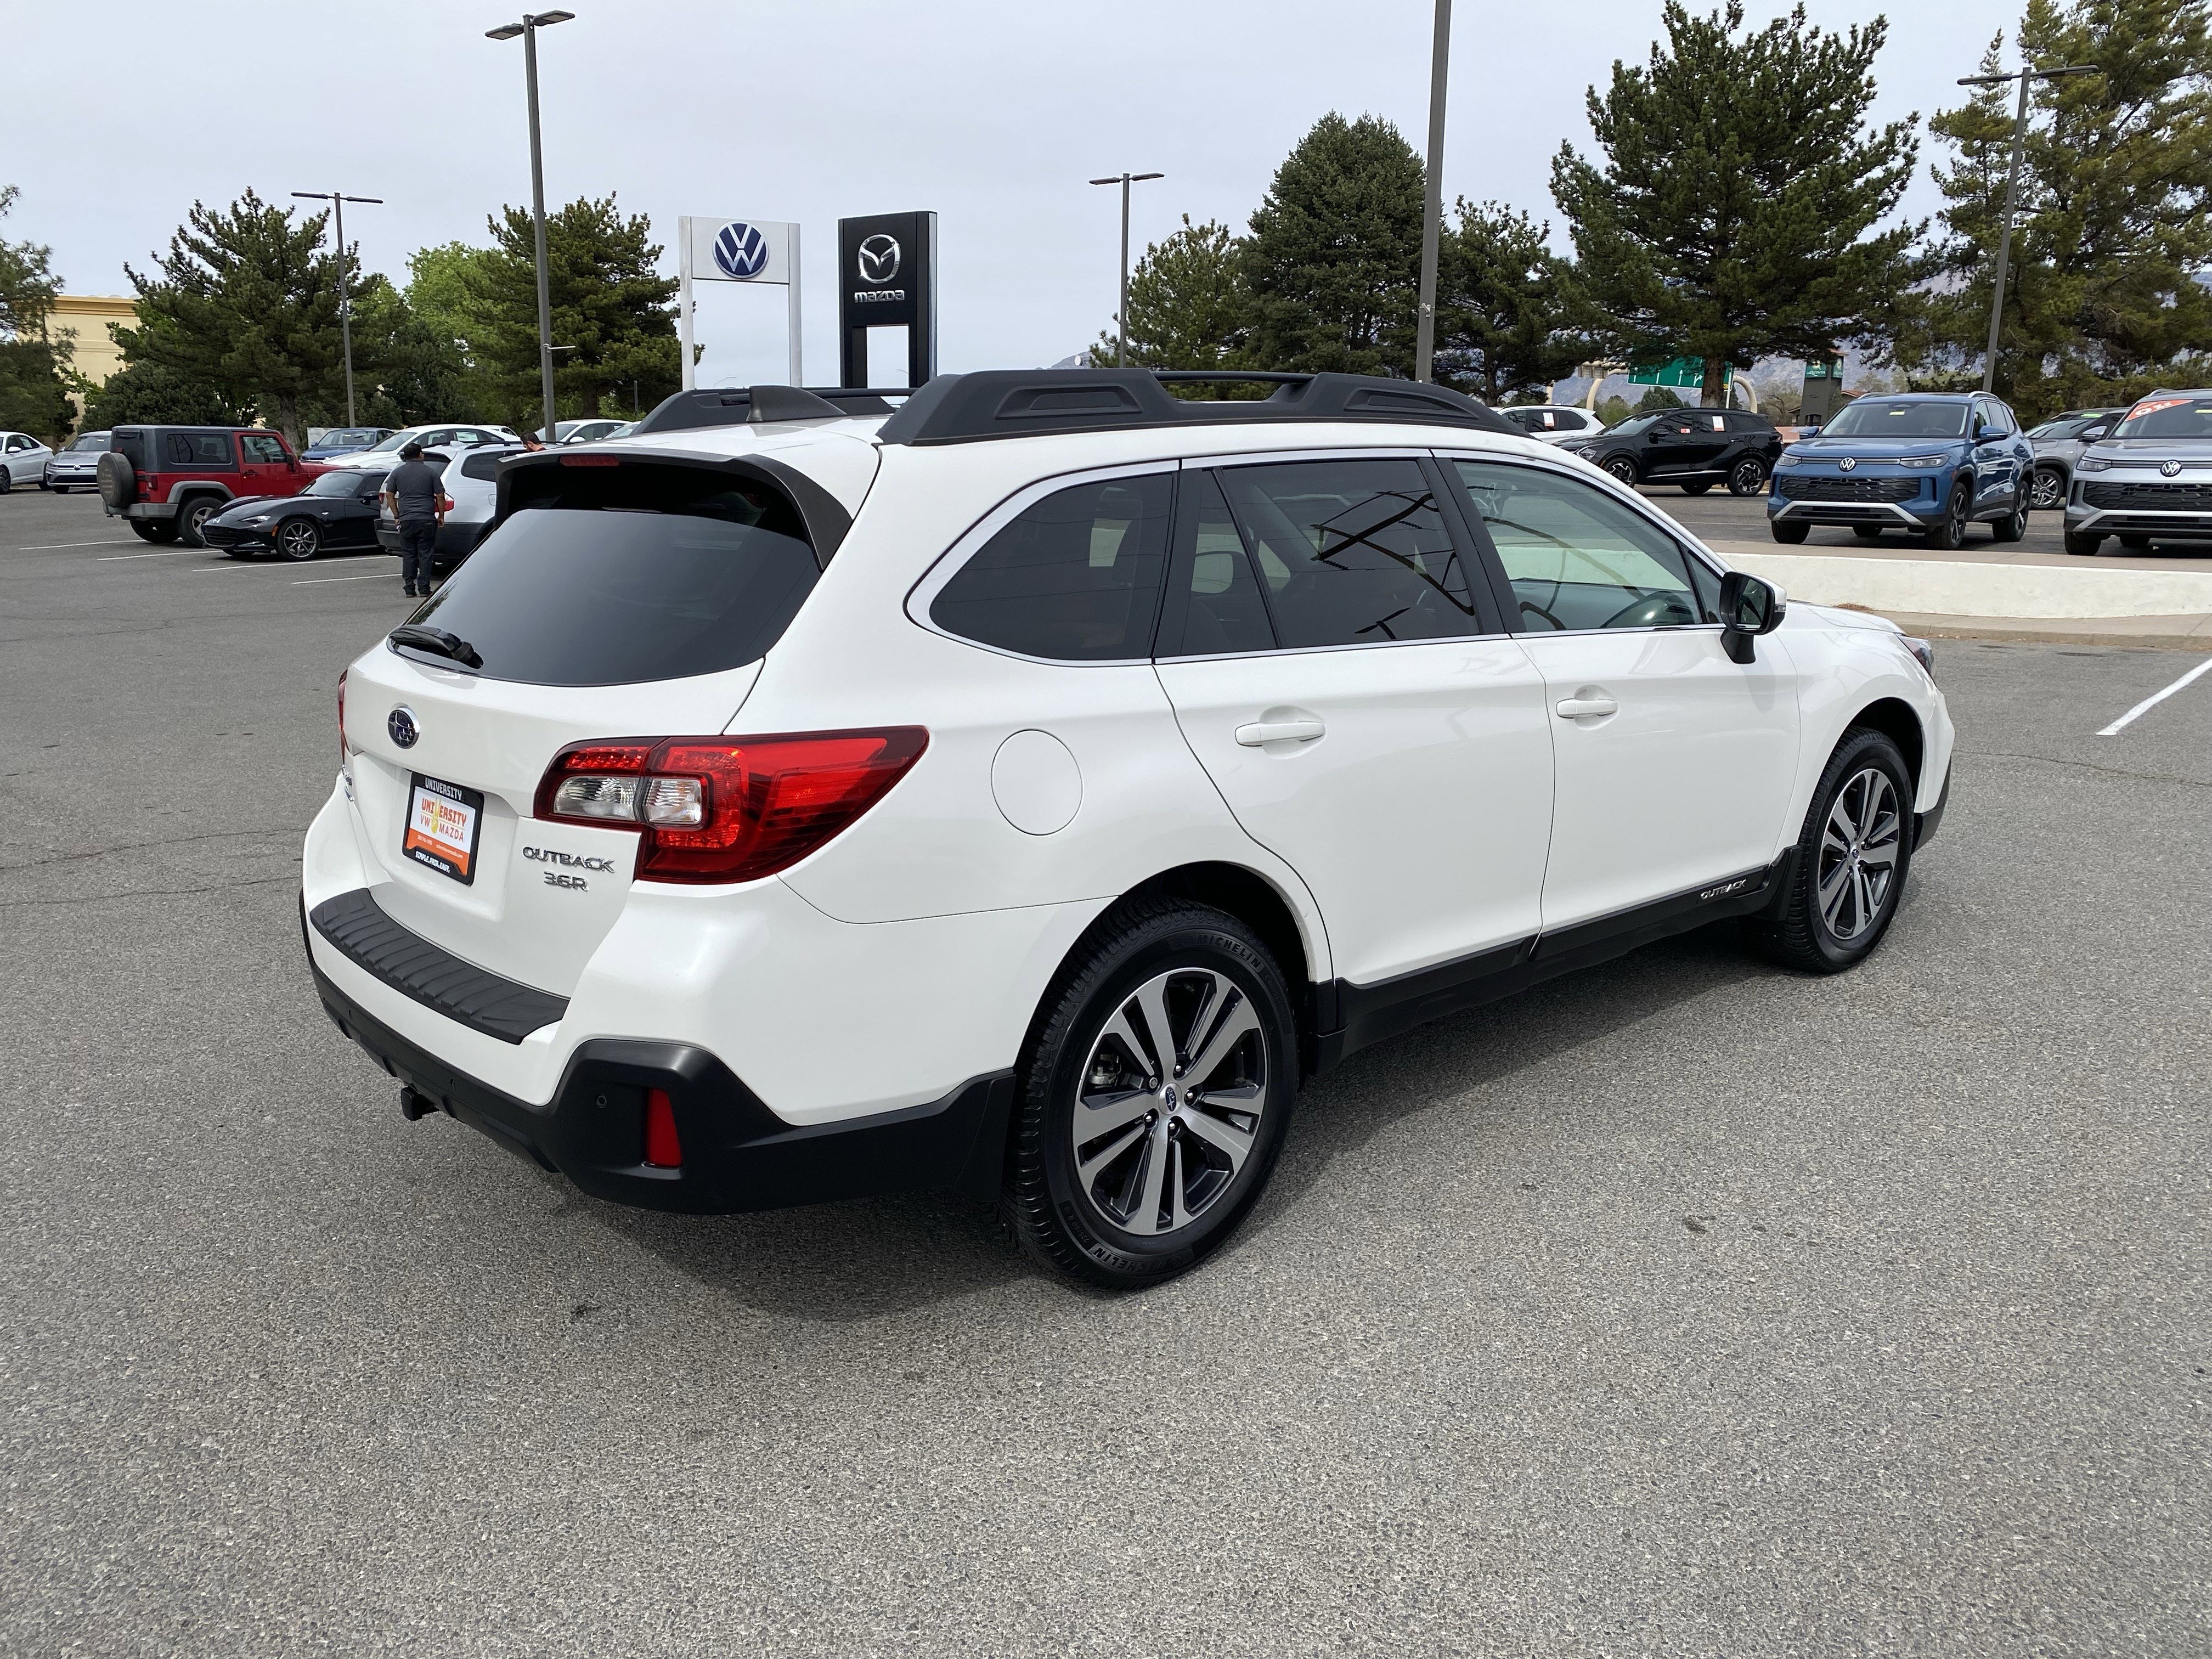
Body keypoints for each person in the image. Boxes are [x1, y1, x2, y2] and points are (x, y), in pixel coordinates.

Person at [380, 442, 445, 599]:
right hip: (426, 519)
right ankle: (424, 588)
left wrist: (397, 515)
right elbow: (440, 496)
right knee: (425, 554)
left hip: (407, 519)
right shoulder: (431, 472)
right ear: (420, 454)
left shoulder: (397, 473)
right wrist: (441, 516)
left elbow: (389, 494)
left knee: (409, 554)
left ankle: (409, 588)